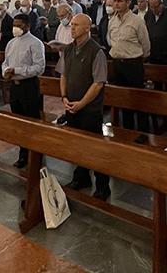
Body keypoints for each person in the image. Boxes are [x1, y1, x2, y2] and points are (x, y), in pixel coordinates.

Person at [60, 13, 110, 201]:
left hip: (89, 109)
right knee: (77, 146)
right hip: (71, 105)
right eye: (71, 24)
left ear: (87, 28)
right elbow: (63, 75)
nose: (71, 28)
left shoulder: (96, 51)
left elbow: (98, 83)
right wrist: (64, 97)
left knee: (94, 148)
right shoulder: (68, 49)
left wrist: (82, 103)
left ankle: (103, 186)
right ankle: (81, 178)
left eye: (76, 25)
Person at [1, 14, 46, 168]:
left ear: (27, 26)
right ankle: (23, 154)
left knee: (32, 122)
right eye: (14, 24)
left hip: (29, 86)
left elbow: (39, 67)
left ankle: (37, 155)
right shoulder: (11, 43)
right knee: (19, 123)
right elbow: (5, 62)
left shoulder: (35, 43)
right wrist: (6, 71)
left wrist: (17, 70)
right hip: (15, 86)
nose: (15, 28)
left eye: (19, 25)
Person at [107, 0, 151, 132]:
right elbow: (110, 40)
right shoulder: (112, 20)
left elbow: (145, 43)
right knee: (123, 100)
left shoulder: (137, 20)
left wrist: (139, 56)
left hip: (133, 64)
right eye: (115, 1)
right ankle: (128, 131)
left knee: (138, 100)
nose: (116, 4)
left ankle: (143, 132)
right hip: (117, 64)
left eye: (120, 1)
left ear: (128, 2)